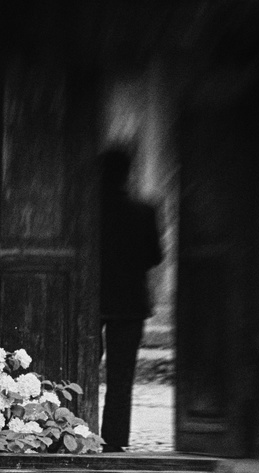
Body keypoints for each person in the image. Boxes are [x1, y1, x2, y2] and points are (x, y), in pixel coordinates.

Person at [98, 147, 163, 453]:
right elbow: (155, 256)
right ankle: (113, 441)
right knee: (121, 377)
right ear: (128, 173)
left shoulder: (87, 211)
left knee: (79, 370)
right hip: (130, 302)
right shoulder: (144, 210)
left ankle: (75, 432)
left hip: (91, 300)